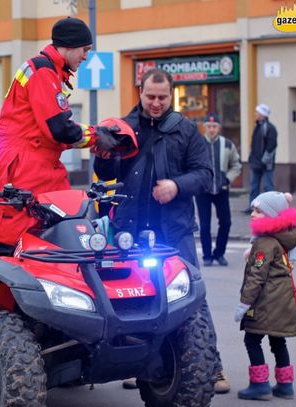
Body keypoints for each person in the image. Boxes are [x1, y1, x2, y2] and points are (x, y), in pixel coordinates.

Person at [94, 68, 230, 394]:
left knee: (192, 298)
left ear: (172, 95)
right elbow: (106, 171)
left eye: (162, 97)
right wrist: (101, 155)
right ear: (140, 92)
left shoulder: (186, 130)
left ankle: (211, 367)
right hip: (131, 230)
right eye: (150, 97)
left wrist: (176, 185)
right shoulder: (123, 128)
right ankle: (138, 366)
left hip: (175, 230)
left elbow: (205, 174)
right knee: (134, 298)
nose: (156, 103)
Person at [0, 17, 119, 260]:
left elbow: (51, 132)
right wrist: (96, 136)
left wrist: (94, 137)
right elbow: (59, 129)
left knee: (63, 222)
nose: (86, 56)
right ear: (70, 45)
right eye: (85, 49)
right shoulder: (43, 72)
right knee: (13, 229)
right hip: (24, 163)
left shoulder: (48, 71)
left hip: (36, 159)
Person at [235, 191, 296, 400]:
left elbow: (257, 276)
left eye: (258, 211)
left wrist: (244, 304)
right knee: (278, 341)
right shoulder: (279, 238)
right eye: (253, 209)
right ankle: (285, 385)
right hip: (282, 301)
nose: (252, 214)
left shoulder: (265, 243)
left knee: (252, 340)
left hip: (267, 302)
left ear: (271, 216)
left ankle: (260, 384)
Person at [195, 112, 241, 267]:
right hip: (203, 191)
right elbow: (190, 165)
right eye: (209, 126)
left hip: (221, 190)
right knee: (205, 225)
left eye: (214, 126)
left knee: (226, 222)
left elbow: (236, 165)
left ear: (219, 128)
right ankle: (207, 256)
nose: (212, 129)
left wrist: (228, 179)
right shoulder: (198, 144)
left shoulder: (227, 144)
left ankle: (219, 253)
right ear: (204, 128)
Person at [245, 104, 277, 214]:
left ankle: (271, 208)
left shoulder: (270, 128)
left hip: (266, 164)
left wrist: (264, 161)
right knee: (254, 186)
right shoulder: (257, 126)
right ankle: (253, 207)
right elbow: (254, 144)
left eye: (257, 112)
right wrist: (251, 157)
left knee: (268, 187)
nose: (255, 114)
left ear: (263, 114)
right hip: (255, 162)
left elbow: (271, 146)